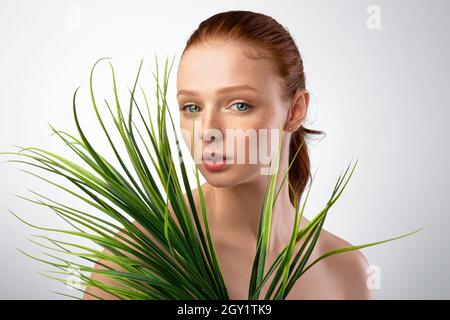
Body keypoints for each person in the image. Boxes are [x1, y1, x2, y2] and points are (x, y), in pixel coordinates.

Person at [84, 10, 372, 300]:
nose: (208, 130)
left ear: (295, 110)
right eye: (192, 107)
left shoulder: (344, 270)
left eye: (239, 105)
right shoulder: (142, 257)